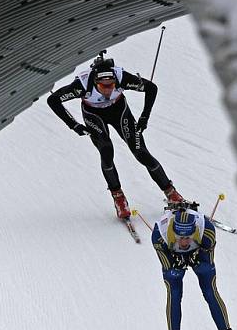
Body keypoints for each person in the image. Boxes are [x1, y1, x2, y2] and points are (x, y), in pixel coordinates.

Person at [46, 53, 184, 219]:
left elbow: (151, 88)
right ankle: (118, 196)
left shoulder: (121, 77)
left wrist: (144, 117)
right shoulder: (81, 85)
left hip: (119, 111)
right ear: (96, 82)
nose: (108, 89)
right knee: (106, 150)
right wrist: (74, 125)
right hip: (93, 114)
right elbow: (53, 100)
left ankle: (171, 192)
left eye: (111, 85)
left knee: (141, 153)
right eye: (104, 86)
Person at [151, 202, 237, 330]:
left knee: (210, 291)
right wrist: (175, 264)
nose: (184, 242)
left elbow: (208, 259)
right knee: (174, 292)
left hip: (200, 253)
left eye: (188, 237)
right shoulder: (159, 234)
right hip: (171, 255)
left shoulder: (206, 230)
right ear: (173, 232)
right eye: (180, 237)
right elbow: (168, 268)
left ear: (195, 232)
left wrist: (195, 256)